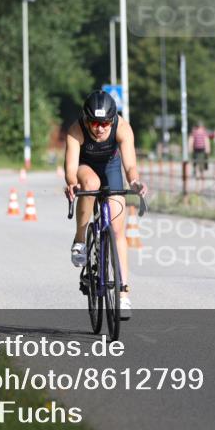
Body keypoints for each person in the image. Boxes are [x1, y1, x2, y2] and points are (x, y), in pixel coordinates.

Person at [64, 90, 146, 319]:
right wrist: (72, 184)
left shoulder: (122, 127)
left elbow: (130, 165)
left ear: (112, 120)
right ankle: (80, 239)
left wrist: (135, 181)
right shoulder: (75, 130)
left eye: (105, 123)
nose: (99, 128)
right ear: (86, 119)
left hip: (111, 167)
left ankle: (123, 294)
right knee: (90, 183)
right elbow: (70, 169)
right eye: (94, 123)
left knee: (118, 229)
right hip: (85, 166)